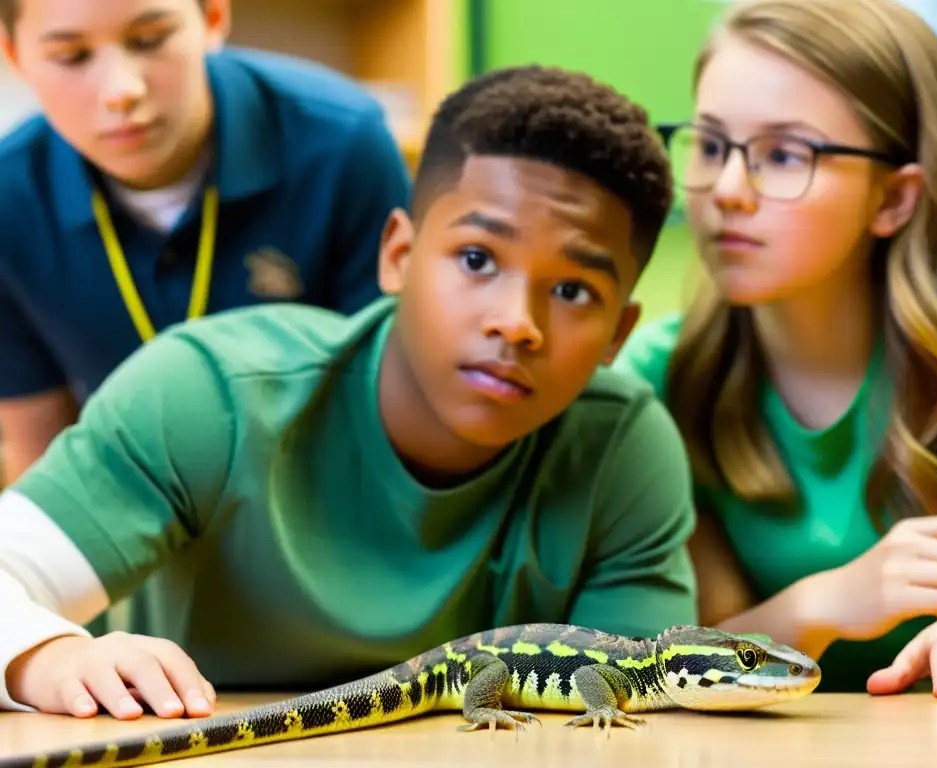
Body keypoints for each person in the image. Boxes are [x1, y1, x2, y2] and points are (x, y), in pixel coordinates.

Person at [0, 63, 697, 722]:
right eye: (478, 258)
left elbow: (627, 724)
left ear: (618, 333)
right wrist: (46, 657)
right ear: (398, 255)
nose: (516, 323)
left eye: (573, 290)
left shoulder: (625, 450)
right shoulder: (207, 393)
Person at [613, 0, 937, 698]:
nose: (729, 192)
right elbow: (672, 663)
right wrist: (818, 607)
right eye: (710, 146)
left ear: (895, 198)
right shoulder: (653, 380)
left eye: (784, 155)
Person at [0, 0, 410, 484]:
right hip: (126, 520)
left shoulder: (344, 144)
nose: (121, 92)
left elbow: (395, 410)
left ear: (213, 16)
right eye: (71, 56)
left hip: (322, 499)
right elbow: (39, 451)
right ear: (14, 55)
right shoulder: (10, 197)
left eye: (150, 40)